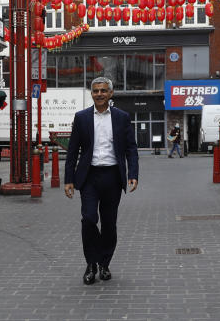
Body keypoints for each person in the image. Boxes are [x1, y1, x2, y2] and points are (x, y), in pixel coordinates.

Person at [64, 77, 139, 285]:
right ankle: (91, 263)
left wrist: (133, 173)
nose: (99, 94)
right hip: (89, 177)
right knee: (88, 219)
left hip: (113, 176)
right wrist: (68, 179)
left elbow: (131, 149)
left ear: (111, 93)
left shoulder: (122, 117)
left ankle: (104, 264)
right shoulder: (81, 118)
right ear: (91, 94)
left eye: (103, 90)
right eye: (95, 91)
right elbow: (73, 151)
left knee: (109, 224)